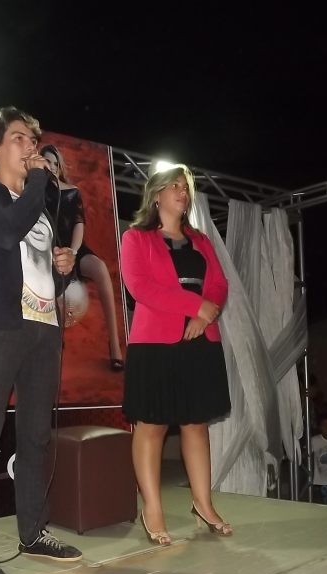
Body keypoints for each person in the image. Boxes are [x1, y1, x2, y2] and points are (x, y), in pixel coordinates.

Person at [0, 107, 82, 574]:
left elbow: (38, 270)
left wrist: (63, 267)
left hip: (43, 330)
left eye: (33, 140)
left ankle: (33, 532)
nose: (31, 147)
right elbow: (6, 232)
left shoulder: (40, 210)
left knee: (34, 437)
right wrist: (37, 183)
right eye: (19, 139)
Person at [120, 164, 231, 546]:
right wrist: (194, 306)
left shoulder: (201, 240)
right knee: (151, 425)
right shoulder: (136, 237)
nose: (183, 192)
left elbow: (219, 283)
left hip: (200, 338)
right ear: (156, 195)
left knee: (196, 424)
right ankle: (152, 508)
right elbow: (139, 286)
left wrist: (205, 314)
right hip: (155, 342)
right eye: (174, 186)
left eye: (186, 186)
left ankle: (204, 504)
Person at [41, 145, 124, 371]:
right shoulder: (35, 189)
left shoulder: (72, 191)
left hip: (74, 249)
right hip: (48, 251)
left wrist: (74, 252)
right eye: (47, 162)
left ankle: (115, 344)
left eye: (55, 163)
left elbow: (79, 224)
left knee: (100, 268)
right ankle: (54, 338)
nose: (52, 167)